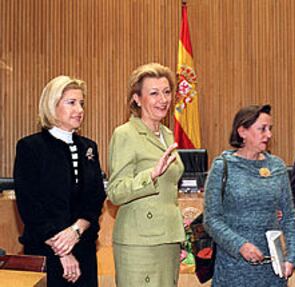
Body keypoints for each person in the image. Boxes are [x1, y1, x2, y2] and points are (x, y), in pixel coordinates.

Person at [13, 75, 106, 286]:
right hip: (45, 252)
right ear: (52, 106)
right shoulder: (30, 147)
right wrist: (63, 252)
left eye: (81, 103)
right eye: (71, 103)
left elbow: (95, 198)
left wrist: (76, 231)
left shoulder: (88, 147)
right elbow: (30, 206)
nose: (79, 110)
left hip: (84, 251)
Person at [107, 63, 185, 287]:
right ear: (137, 99)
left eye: (167, 92)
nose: (163, 99)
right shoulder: (126, 134)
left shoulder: (168, 134)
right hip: (139, 243)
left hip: (168, 239)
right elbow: (115, 192)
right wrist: (150, 175)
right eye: (154, 93)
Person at [204, 104, 295, 287]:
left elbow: (289, 216)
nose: (268, 134)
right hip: (233, 269)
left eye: (270, 129)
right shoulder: (222, 166)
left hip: (273, 271)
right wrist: (241, 246)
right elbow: (211, 219)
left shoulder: (277, 167)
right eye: (262, 129)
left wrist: (291, 257)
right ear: (242, 131)